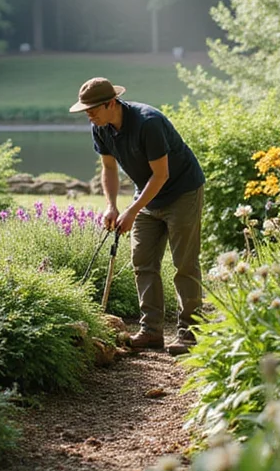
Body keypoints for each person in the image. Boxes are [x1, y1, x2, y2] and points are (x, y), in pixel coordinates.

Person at [69, 77, 205, 355]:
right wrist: (112, 205)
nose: (88, 115)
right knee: (142, 262)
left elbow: (162, 175)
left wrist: (132, 210)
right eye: (85, 110)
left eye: (93, 108)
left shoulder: (148, 122)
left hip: (182, 192)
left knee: (184, 265)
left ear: (111, 103)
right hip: (147, 194)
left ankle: (190, 334)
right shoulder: (100, 127)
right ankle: (151, 332)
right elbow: (108, 169)